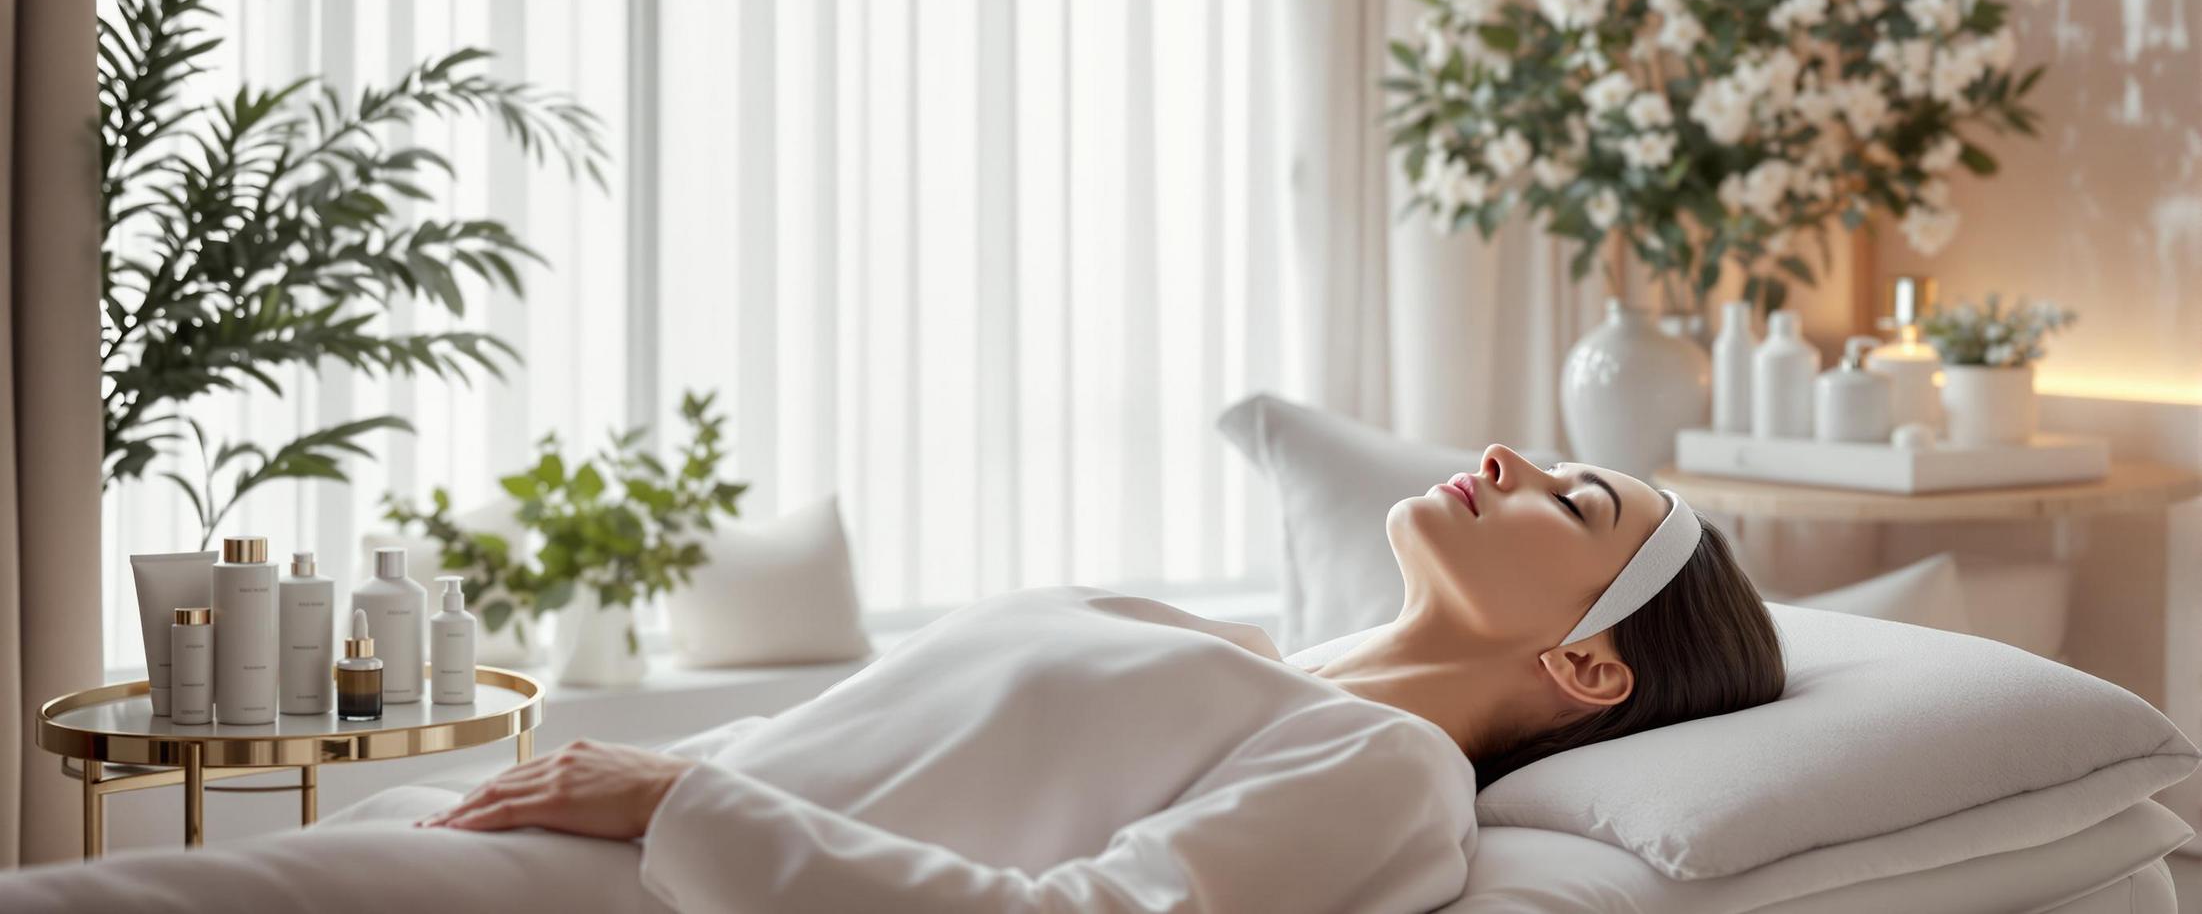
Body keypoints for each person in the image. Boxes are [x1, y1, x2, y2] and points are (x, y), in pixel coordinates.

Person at [410, 444, 1785, 913]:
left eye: (1572, 497)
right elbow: (848, 734)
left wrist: (675, 801)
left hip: (647, 880)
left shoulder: (1390, 768)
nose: (1503, 459)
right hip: (525, 828)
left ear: (1587, 662)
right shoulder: (1240, 666)